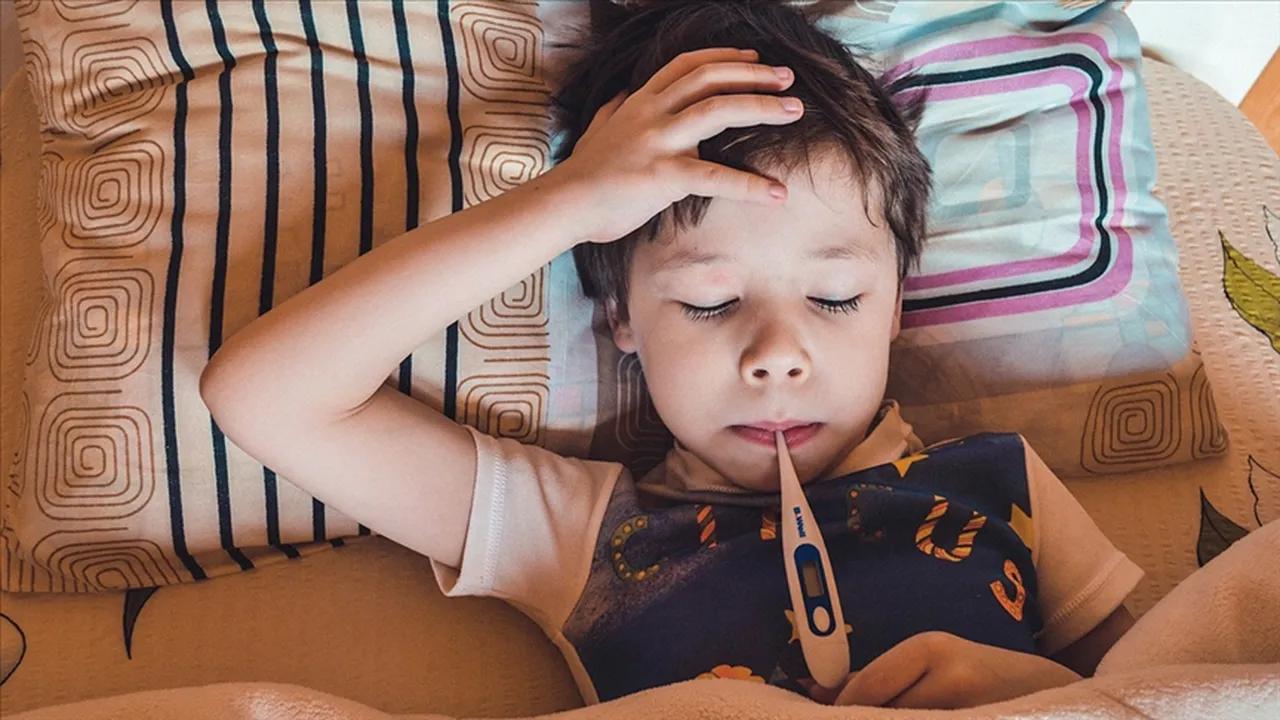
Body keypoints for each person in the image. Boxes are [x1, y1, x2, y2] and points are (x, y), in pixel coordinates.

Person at [199, 0, 1143, 709]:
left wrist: (1035, 690)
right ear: (619, 316)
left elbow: (1168, 684)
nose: (777, 353)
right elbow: (267, 397)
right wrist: (572, 201)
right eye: (707, 302)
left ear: (897, 303)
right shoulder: (578, 533)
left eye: (836, 297)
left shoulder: (1000, 482)